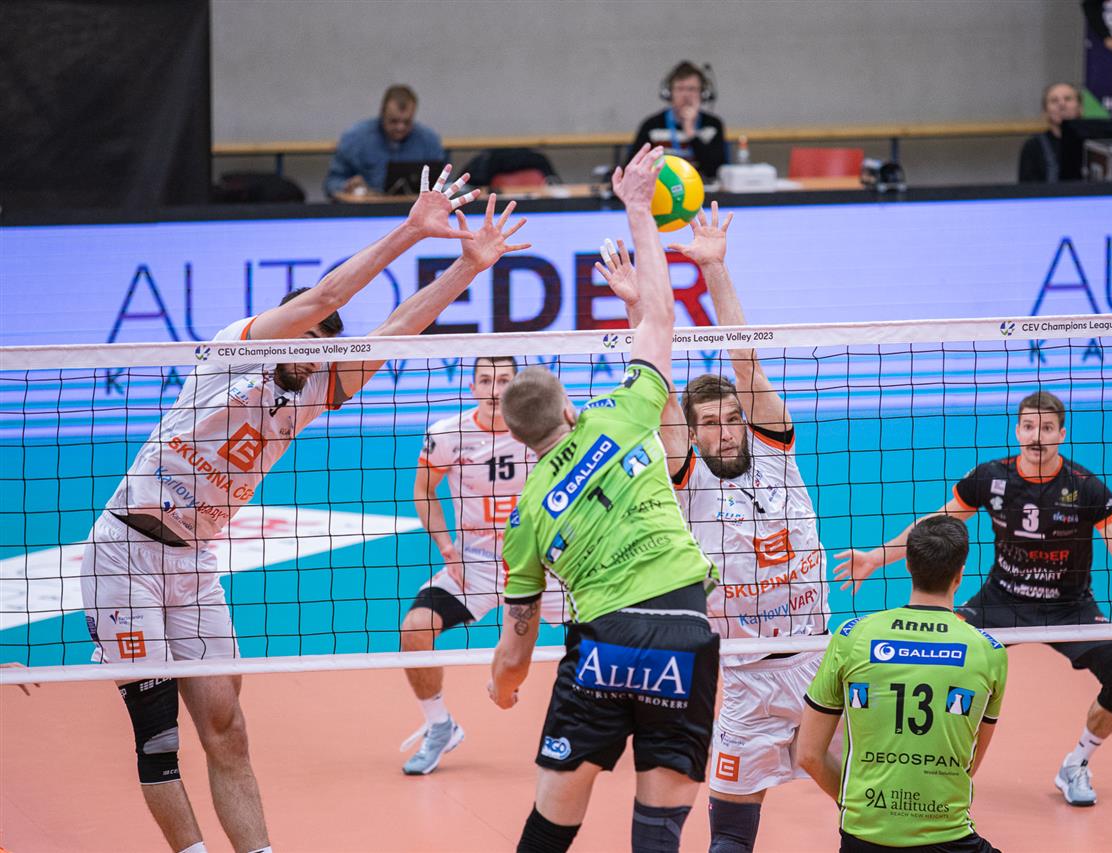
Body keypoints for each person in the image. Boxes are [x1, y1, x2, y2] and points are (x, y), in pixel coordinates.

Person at [80, 168, 533, 853]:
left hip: (193, 564)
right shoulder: (237, 350)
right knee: (159, 736)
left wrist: (468, 266)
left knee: (228, 727)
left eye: (325, 342)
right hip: (125, 552)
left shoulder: (318, 389)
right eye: (310, 333)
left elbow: (398, 328)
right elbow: (326, 295)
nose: (315, 349)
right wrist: (413, 230)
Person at [489, 144, 720, 853]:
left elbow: (520, 631)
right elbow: (661, 320)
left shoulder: (526, 512)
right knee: (659, 830)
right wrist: (638, 211)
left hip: (603, 645)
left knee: (552, 821)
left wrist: (505, 683)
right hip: (683, 630)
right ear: (568, 408)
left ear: (519, 438)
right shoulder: (621, 413)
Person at [600, 202, 832, 851]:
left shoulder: (776, 451)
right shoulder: (689, 479)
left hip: (821, 665)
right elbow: (657, 391)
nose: (726, 431)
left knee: (869, 804)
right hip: (746, 679)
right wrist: (637, 310)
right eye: (711, 424)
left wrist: (715, 267)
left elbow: (746, 363)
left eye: (733, 418)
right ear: (694, 435)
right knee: (728, 835)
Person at [837, 390, 1112, 808]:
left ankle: (1076, 763)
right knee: (926, 652)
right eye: (1028, 426)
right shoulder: (992, 478)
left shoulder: (1086, 488)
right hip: (1001, 601)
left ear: (1061, 434)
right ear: (1017, 430)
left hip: (1069, 607)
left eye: (1046, 428)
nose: (1036, 436)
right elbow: (935, 523)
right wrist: (875, 558)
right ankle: (911, 759)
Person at [398, 355, 568, 775]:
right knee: (415, 630)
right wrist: (447, 547)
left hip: (545, 565)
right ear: (472, 387)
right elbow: (423, 490)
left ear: (516, 388)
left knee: (602, 635)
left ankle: (586, 727)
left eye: (504, 380)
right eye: (486, 380)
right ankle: (440, 726)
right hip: (475, 566)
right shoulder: (447, 435)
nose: (494, 390)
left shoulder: (544, 429)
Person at [798, 515, 1007, 852]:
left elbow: (808, 755)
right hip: (947, 839)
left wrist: (861, 807)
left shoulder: (852, 636)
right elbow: (968, 765)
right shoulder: (989, 652)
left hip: (862, 837)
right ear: (960, 574)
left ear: (908, 565)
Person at [324, 84, 445, 199]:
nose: (400, 127)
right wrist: (347, 186)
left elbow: (443, 183)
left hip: (416, 209)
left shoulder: (429, 141)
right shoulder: (355, 139)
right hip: (367, 209)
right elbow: (331, 183)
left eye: (407, 122)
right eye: (393, 121)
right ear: (382, 113)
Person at [629, 62, 728, 180]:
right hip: (663, 186)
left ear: (703, 94)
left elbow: (714, 171)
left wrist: (690, 132)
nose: (686, 95)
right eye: (680, 89)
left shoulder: (713, 125)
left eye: (692, 89)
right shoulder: (652, 126)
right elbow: (633, 169)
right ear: (669, 93)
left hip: (701, 187)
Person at [1017, 83, 1083, 183]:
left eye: (1068, 99)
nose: (1061, 105)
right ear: (1045, 111)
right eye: (1054, 101)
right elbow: (1027, 189)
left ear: (1080, 108)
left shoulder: (1092, 145)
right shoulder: (1033, 146)